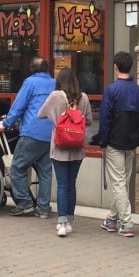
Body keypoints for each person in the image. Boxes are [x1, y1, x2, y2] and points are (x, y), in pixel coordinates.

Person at [0, 57, 56, 218]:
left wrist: (5, 123)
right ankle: (43, 208)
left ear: (32, 69)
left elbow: (18, 106)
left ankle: (24, 203)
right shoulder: (54, 83)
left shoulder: (30, 82)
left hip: (32, 132)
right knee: (45, 172)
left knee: (17, 168)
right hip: (50, 134)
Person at [38, 68, 94, 237]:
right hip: (77, 148)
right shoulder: (83, 97)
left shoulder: (55, 96)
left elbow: (40, 113)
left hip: (60, 146)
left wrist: (57, 118)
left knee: (62, 184)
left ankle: (62, 223)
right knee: (71, 184)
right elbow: (90, 120)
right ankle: (69, 220)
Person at [98, 51, 139, 238]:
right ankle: (111, 218)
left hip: (115, 142)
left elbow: (105, 118)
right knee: (122, 182)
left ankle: (126, 222)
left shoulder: (111, 90)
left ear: (115, 67)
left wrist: (102, 141)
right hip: (131, 142)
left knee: (118, 183)